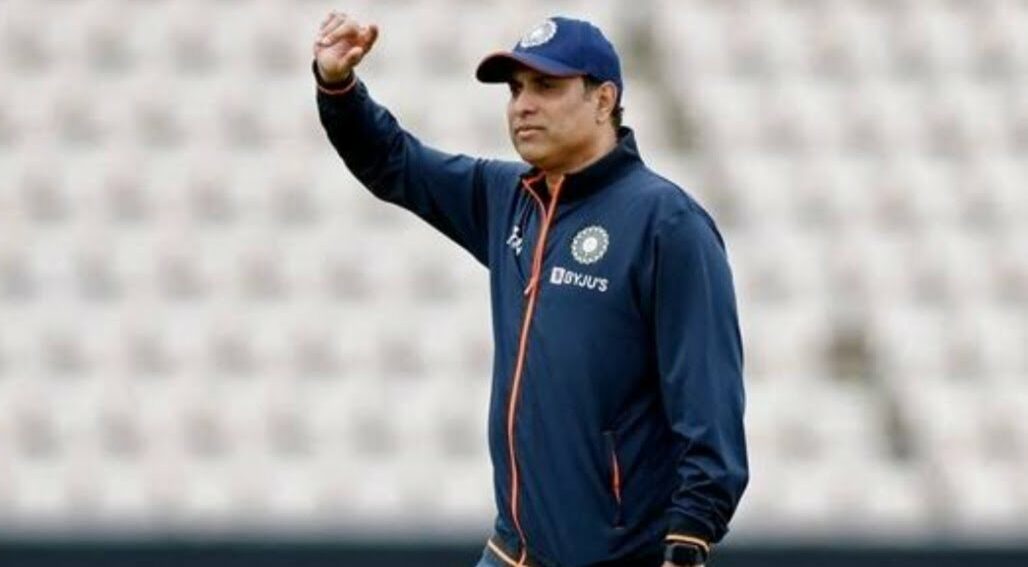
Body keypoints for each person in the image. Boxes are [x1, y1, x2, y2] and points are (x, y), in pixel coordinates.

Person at [312, 11, 748, 567]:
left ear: (603, 99)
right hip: (513, 550)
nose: (523, 105)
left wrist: (689, 537)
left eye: (546, 86)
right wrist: (338, 85)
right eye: (516, 89)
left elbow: (708, 398)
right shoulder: (507, 197)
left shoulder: (667, 224)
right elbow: (392, 160)